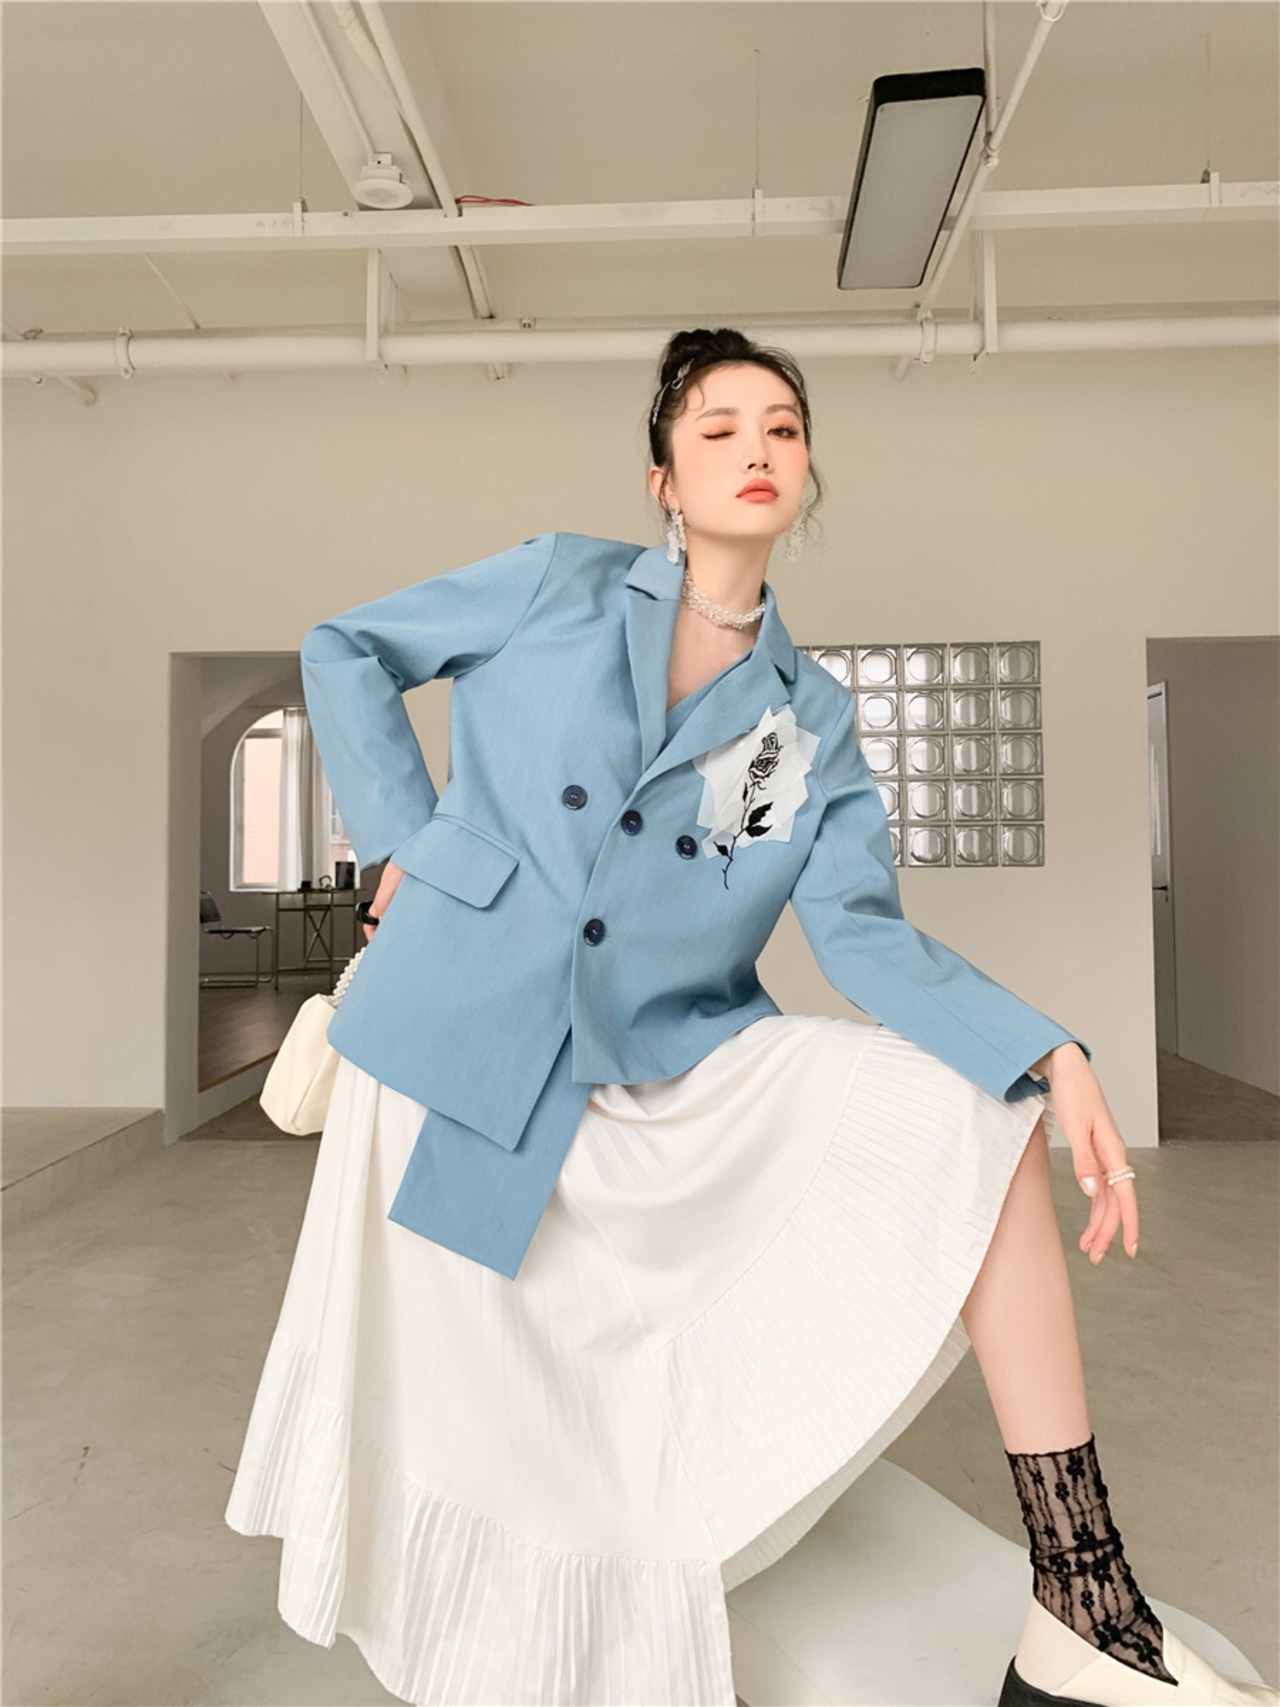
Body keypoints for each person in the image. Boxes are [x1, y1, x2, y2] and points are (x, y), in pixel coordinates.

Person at [224, 326, 1277, 1707]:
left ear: (807, 470)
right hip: (457, 1047)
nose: (757, 448)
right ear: (663, 478)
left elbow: (857, 937)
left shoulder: (798, 723)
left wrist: (1051, 1048)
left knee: (982, 1119)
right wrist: (407, 841)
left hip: (651, 1063)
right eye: (718, 428)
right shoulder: (556, 584)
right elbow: (345, 646)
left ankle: (1082, 1595)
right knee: (483, 1441)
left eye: (782, 427)